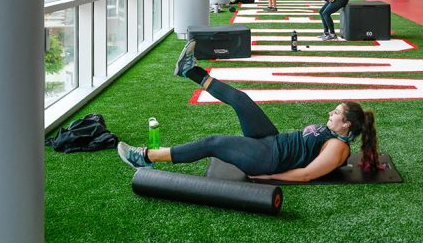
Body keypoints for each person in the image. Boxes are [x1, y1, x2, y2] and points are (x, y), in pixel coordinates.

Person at [117, 40, 379, 180]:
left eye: (336, 114)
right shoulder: (336, 136)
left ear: (346, 125)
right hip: (272, 141)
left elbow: (307, 174)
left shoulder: (338, 148)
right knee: (242, 100)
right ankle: (190, 71)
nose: (330, 115)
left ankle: (145, 157)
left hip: (267, 159)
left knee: (213, 142)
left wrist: (269, 177)